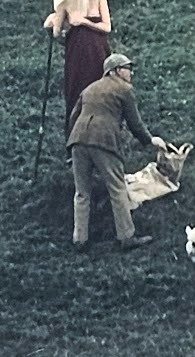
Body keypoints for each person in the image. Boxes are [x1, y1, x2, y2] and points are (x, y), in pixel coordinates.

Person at [66, 52, 169, 251]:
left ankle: (80, 239)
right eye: (127, 68)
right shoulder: (124, 89)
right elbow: (135, 123)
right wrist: (150, 140)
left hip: (78, 141)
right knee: (117, 189)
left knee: (81, 193)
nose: (130, 73)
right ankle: (126, 237)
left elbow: (73, 117)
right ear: (114, 71)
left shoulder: (89, 89)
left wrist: (71, 146)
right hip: (104, 141)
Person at [43, 0, 112, 138]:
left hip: (98, 50)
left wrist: (83, 21)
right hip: (77, 53)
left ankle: (102, 134)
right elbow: (57, 32)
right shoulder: (66, 0)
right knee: (77, 91)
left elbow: (107, 27)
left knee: (100, 90)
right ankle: (76, 137)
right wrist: (51, 22)